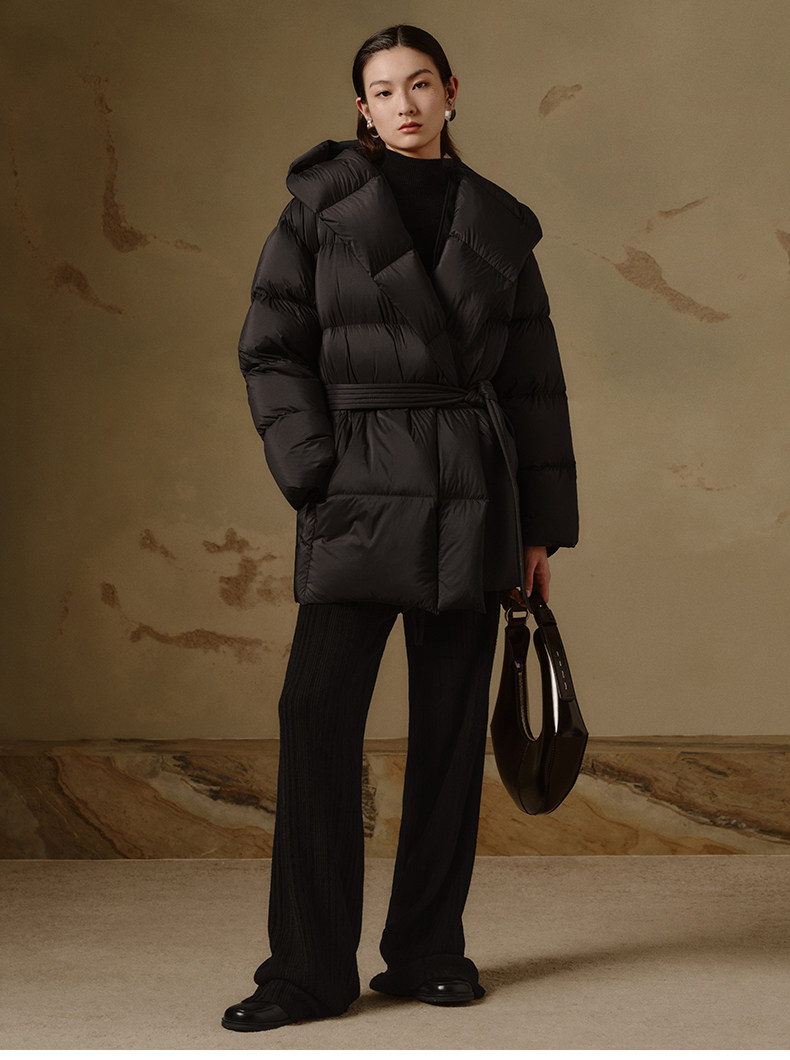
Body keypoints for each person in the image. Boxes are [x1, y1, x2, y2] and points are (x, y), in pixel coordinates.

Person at [221, 24, 578, 1032]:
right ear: (362, 108)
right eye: (383, 90)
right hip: (359, 485)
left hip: (470, 489)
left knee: (450, 728)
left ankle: (428, 950)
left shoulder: (499, 223)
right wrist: (314, 472)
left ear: (451, 91)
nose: (405, 104)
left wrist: (538, 530)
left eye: (420, 84)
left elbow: (533, 382)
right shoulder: (318, 209)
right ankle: (304, 970)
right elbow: (271, 346)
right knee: (315, 716)